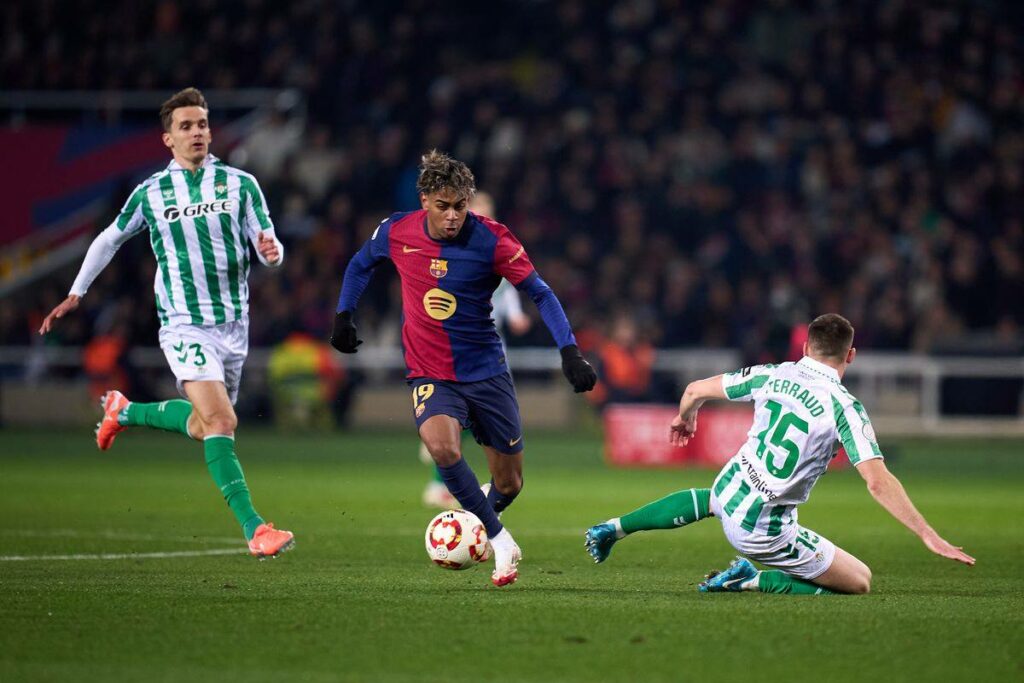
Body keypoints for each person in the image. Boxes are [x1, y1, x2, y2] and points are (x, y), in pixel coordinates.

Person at [39, 87, 295, 559]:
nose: (197, 132)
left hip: (233, 327)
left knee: (203, 425)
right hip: (183, 323)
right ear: (167, 139)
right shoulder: (152, 192)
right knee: (222, 420)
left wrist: (271, 254)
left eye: (202, 124)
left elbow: (267, 242)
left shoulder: (241, 184)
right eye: (186, 126)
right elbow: (108, 240)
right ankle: (256, 529)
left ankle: (125, 411)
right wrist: (77, 292)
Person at [331, 150, 597, 587]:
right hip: (430, 371)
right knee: (443, 449)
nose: (453, 216)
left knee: (509, 483)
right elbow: (361, 264)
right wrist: (344, 315)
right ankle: (498, 538)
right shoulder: (397, 231)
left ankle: (477, 525)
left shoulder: (494, 240)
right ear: (424, 201)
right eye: (443, 206)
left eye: (460, 206)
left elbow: (542, 294)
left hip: (487, 372)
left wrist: (569, 351)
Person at [585, 313, 974, 594]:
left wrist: (686, 419)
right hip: (762, 530)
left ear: (806, 347)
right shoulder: (844, 407)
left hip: (732, 485)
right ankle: (749, 579)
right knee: (859, 581)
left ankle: (614, 527)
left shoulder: (773, 373)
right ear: (850, 355)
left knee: (712, 498)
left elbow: (694, 390)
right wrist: (927, 533)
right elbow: (877, 480)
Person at [419, 191, 532, 509]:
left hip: (492, 349)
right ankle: (439, 480)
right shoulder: (450, 253)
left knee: (486, 419)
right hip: (457, 347)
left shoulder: (498, 249)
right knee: (459, 416)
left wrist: (517, 316)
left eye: (487, 211)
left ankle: (482, 483)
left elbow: (509, 290)